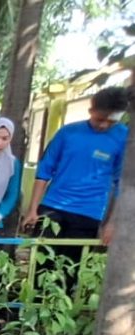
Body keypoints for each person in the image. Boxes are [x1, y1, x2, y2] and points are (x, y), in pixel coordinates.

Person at [23, 86, 127, 279]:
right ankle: (33, 307)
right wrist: (32, 209)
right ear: (91, 111)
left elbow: (121, 183)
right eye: (100, 119)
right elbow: (44, 172)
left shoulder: (124, 138)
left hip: (89, 213)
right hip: (53, 208)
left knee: (70, 271)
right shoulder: (68, 133)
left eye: (111, 121)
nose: (104, 125)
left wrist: (111, 223)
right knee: (40, 267)